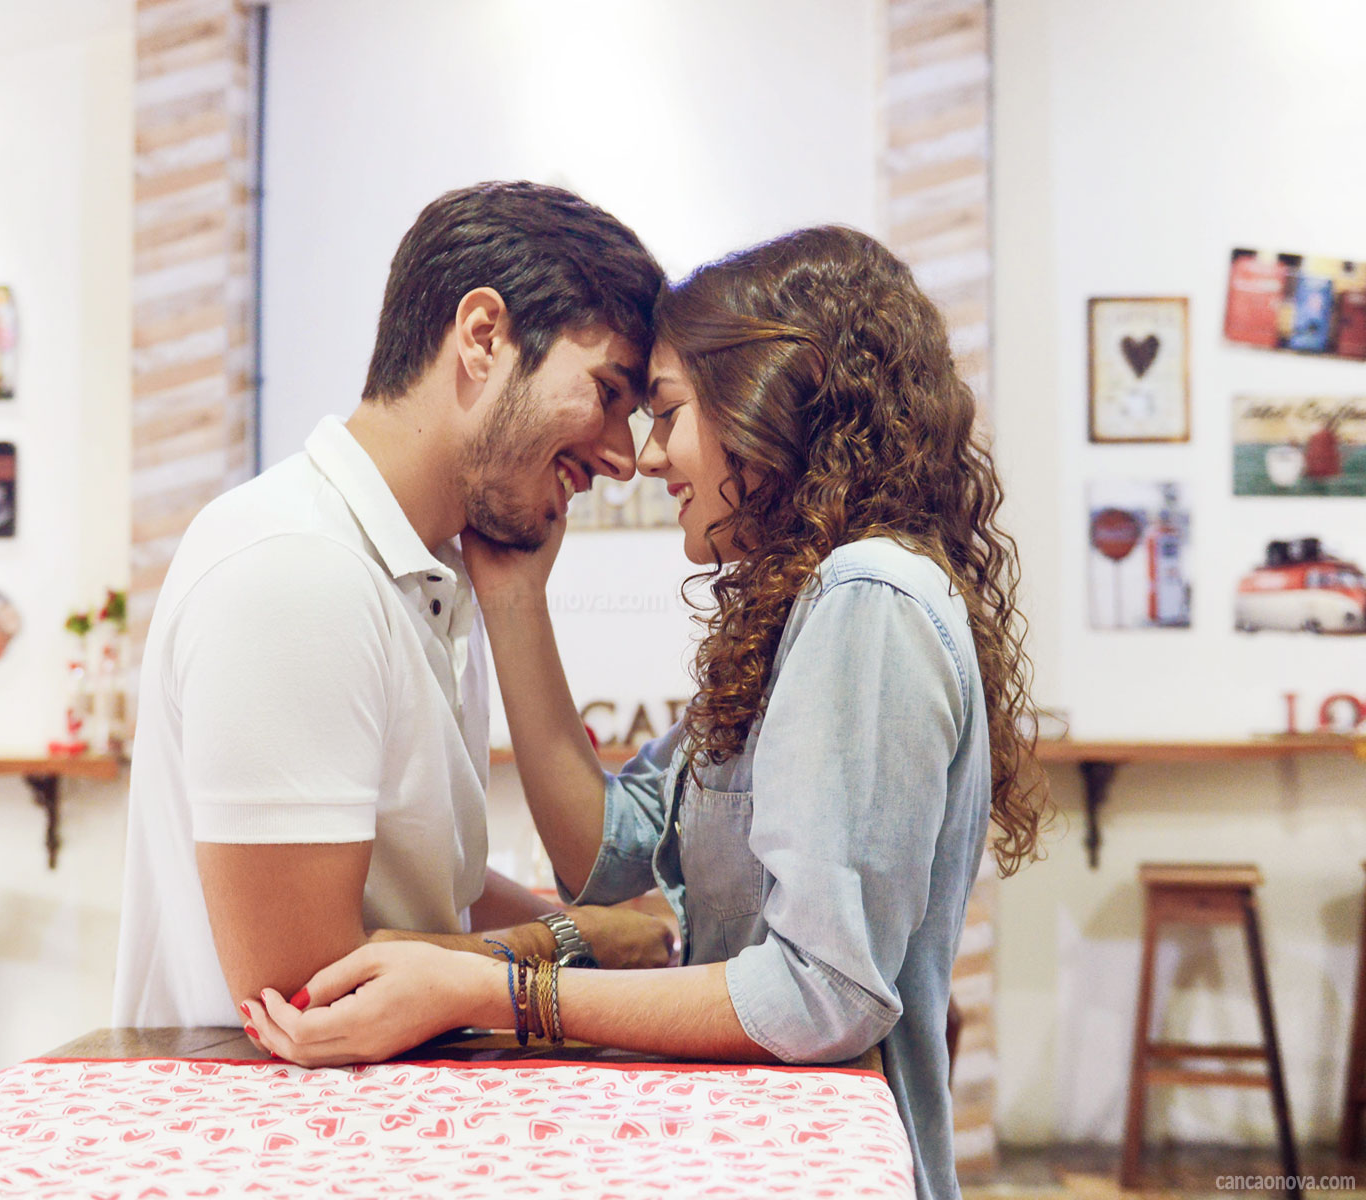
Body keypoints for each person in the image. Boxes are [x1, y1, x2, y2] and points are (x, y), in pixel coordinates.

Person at [242, 226, 1050, 1200]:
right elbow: (606, 853)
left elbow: (821, 995)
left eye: (664, 412)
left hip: (816, 1167)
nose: (645, 455)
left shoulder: (865, 595)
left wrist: (492, 987)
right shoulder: (800, 611)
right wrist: (513, 602)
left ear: (768, 400)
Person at [113, 182, 677, 1030]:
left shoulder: (427, 569)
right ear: (483, 337)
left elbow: (430, 896)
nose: (622, 458)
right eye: (606, 394)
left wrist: (600, 938)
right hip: (261, 1143)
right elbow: (304, 975)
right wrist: (577, 944)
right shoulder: (298, 567)